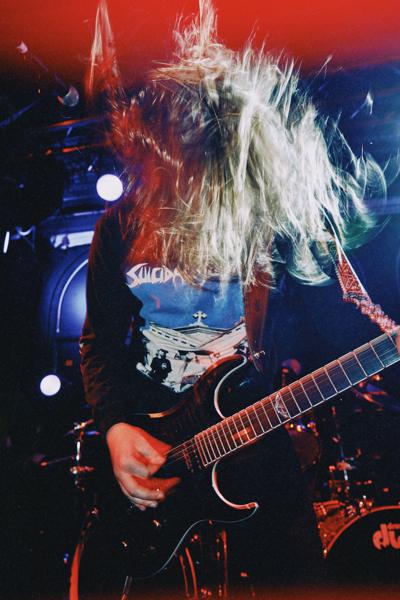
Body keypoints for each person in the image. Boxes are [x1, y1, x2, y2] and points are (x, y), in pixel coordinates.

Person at [80, 0, 385, 590]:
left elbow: (342, 327)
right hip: (155, 438)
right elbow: (100, 342)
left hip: (252, 432)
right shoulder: (119, 226)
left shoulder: (273, 220)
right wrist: (116, 427)